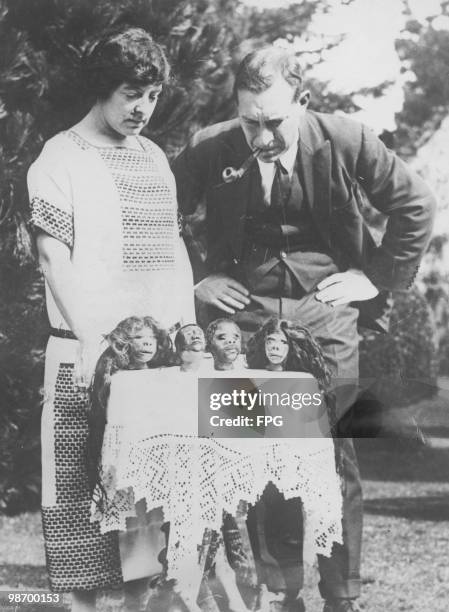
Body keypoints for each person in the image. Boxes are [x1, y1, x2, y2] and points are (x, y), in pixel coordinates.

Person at [172, 46, 436, 612]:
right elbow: (157, 217)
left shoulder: (348, 140)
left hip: (327, 316)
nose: (262, 137)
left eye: (274, 122)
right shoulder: (209, 148)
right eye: (250, 122)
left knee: (331, 453)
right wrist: (197, 278)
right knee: (254, 456)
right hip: (242, 320)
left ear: (304, 101)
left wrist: (375, 278)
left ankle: (342, 595)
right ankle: (277, 591)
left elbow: (416, 204)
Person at [27, 27, 194, 612]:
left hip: (153, 363)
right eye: (130, 93)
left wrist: (184, 337)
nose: (142, 108)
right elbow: (54, 260)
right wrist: (98, 343)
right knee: (78, 496)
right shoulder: (60, 156)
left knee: (145, 509)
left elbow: (172, 253)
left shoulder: (154, 157)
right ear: (103, 88)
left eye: (151, 96)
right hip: (83, 353)